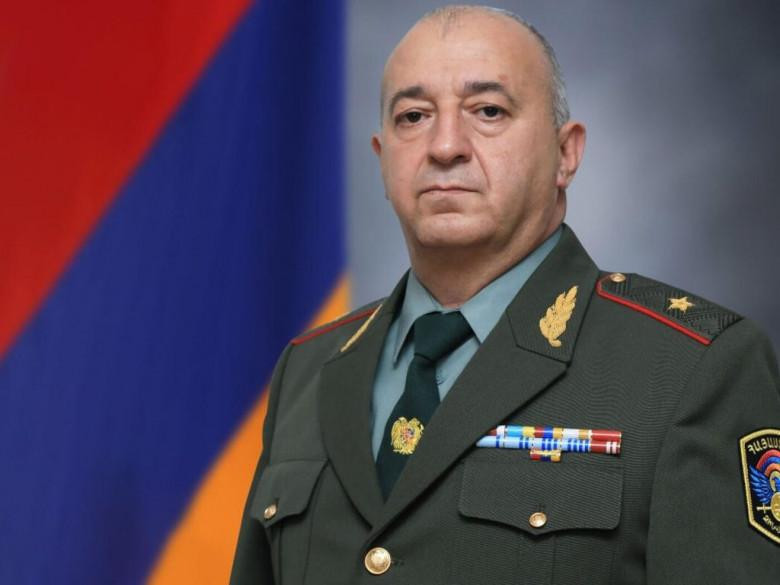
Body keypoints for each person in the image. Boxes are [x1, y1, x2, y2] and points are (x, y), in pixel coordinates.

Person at [230, 5, 780, 584]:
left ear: (566, 153)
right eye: (413, 116)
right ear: (382, 158)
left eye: (488, 111)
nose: (445, 146)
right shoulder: (308, 367)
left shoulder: (692, 370)